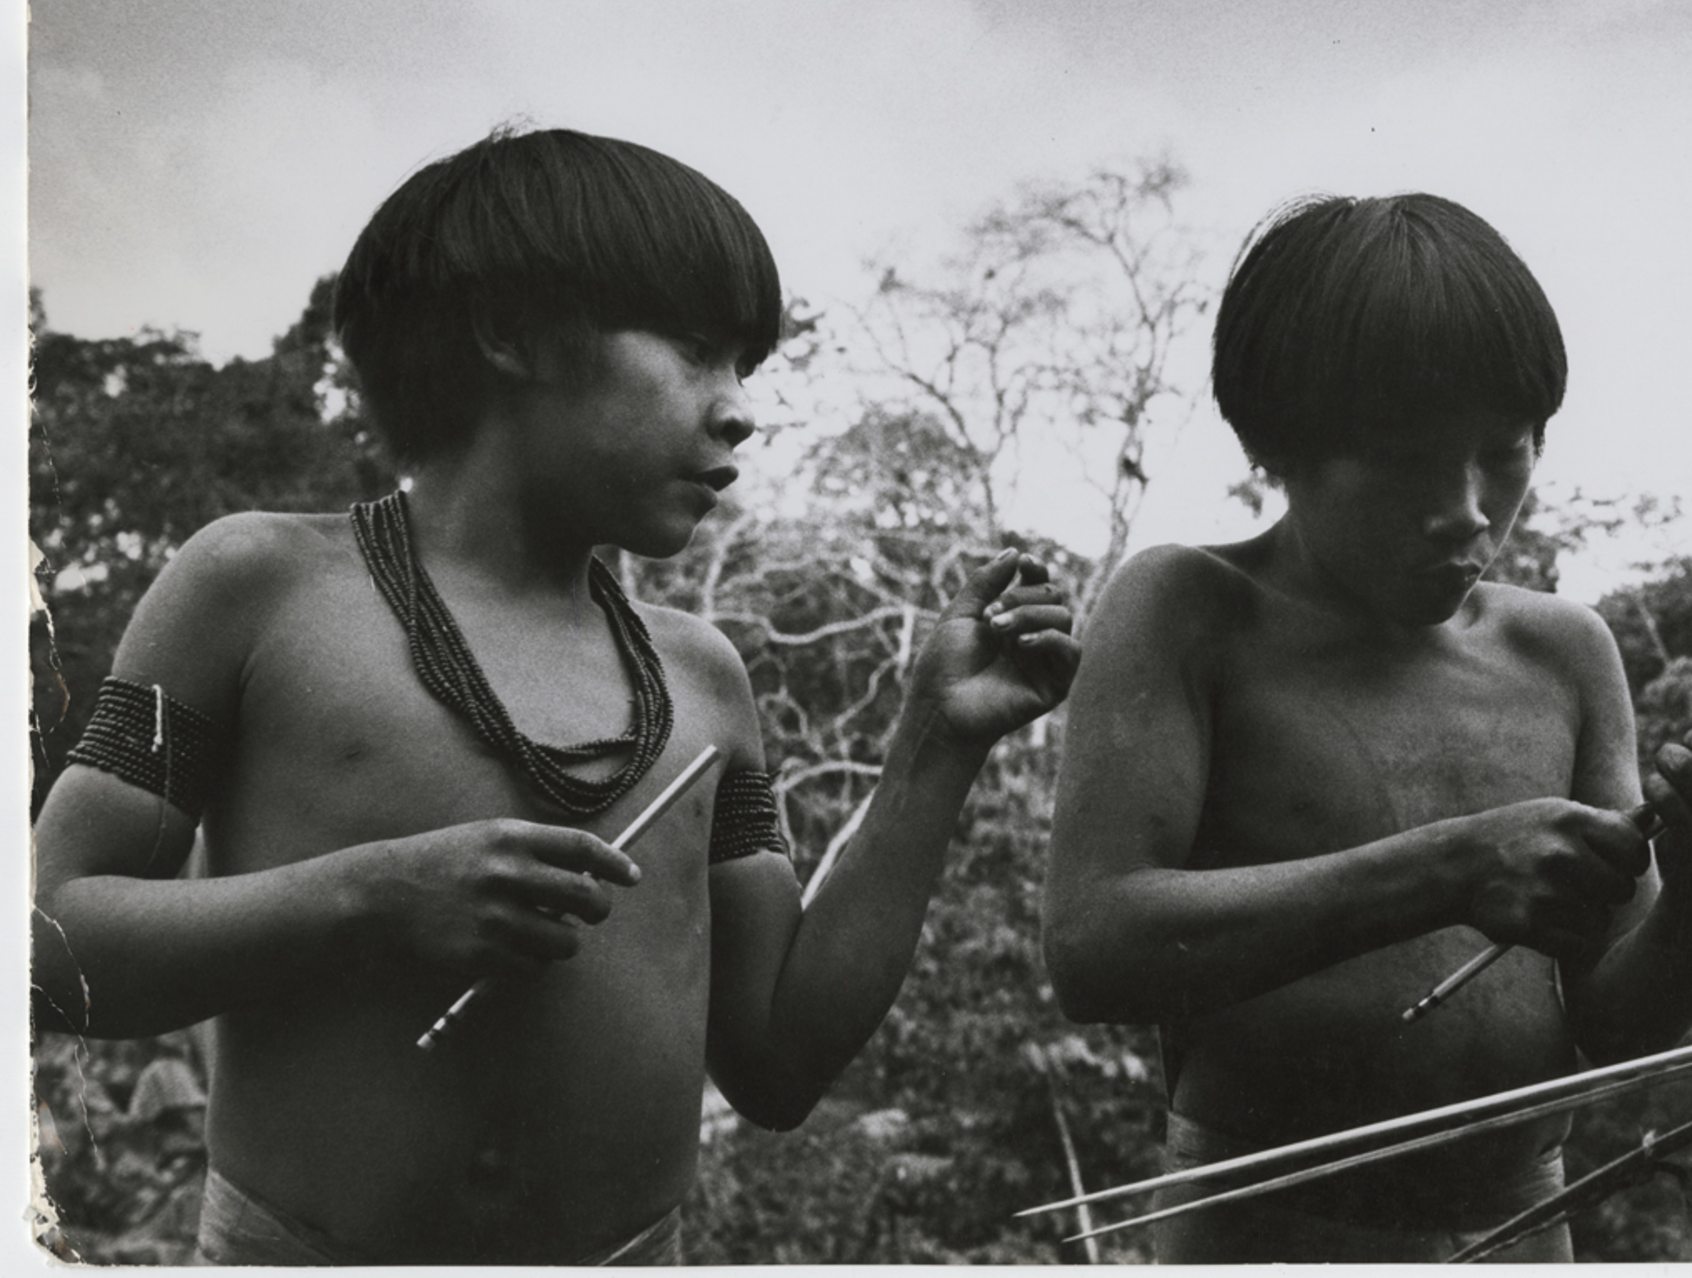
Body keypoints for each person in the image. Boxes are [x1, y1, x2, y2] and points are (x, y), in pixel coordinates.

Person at [32, 127, 1079, 1264]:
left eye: (745, 369)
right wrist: (373, 896)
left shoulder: (701, 680)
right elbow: (44, 948)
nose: (737, 409)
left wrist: (936, 750)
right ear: (508, 332)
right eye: (693, 350)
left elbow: (777, 1063)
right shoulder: (259, 588)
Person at [1042, 192, 1692, 1262]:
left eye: (1506, 451)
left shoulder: (1562, 654)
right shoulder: (1190, 612)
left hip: (1521, 1226)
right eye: (1407, 460)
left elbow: (1620, 1017)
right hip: (1257, 1229)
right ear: (1277, 445)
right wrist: (1447, 869)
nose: (1469, 508)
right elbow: (1094, 949)